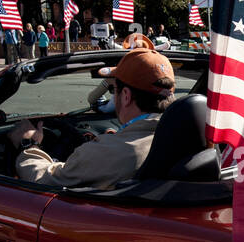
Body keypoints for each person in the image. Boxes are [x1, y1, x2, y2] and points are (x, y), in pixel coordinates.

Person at [11, 46, 176, 188]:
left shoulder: (111, 152)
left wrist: (28, 145)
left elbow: (45, 180)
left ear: (125, 95)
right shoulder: (186, 137)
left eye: (114, 90)